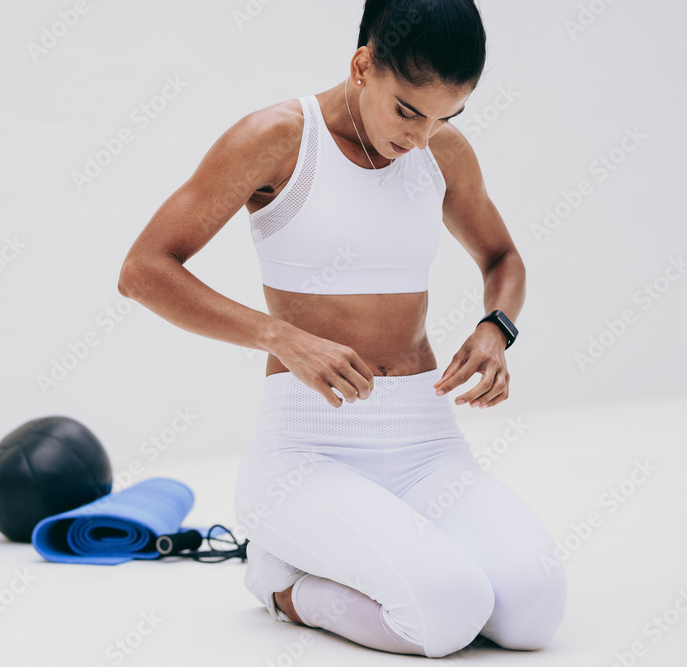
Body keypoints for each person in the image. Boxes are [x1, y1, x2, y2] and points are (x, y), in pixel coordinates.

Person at [117, 0, 566, 658]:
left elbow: (503, 259)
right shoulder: (277, 137)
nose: (421, 138)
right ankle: (279, 581)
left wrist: (497, 326)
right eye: (408, 110)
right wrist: (279, 336)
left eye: (444, 117)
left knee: (534, 612)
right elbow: (144, 269)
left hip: (425, 445)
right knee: (448, 612)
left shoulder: (442, 151)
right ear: (362, 66)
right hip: (306, 448)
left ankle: (382, 550)